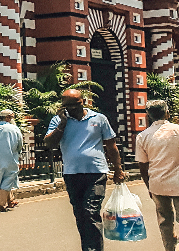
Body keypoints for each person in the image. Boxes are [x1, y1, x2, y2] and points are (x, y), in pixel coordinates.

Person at [44, 88, 125, 251]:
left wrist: (118, 169)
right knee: (81, 215)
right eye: (67, 106)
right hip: (72, 173)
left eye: (75, 105)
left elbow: (111, 146)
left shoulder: (99, 118)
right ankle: (88, 248)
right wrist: (62, 124)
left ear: (83, 102)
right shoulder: (58, 120)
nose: (71, 109)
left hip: (96, 172)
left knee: (90, 211)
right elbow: (49, 143)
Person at [134, 99, 179, 251]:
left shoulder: (142, 136)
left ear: (148, 116)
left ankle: (169, 249)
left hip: (157, 185)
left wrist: (149, 186)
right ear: (167, 113)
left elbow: (142, 166)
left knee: (165, 221)